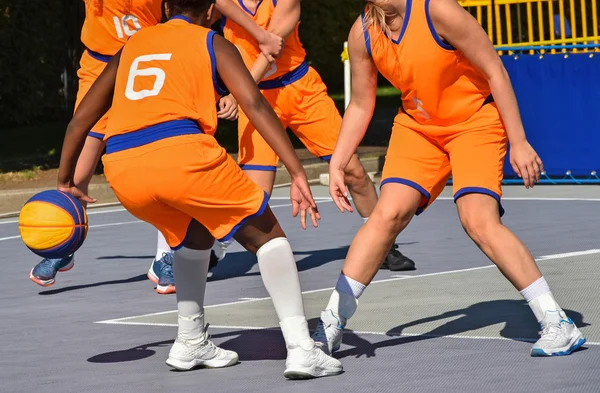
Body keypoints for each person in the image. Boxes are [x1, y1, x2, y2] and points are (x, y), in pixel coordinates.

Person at [56, 0, 343, 378]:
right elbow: (254, 103)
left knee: (194, 235)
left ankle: (190, 340)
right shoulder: (211, 41)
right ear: (210, 10)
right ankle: (303, 348)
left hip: (124, 167)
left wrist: (65, 181)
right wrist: (296, 169)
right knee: (268, 237)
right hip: (181, 153)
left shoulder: (133, 45)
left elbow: (81, 120)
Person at [312, 0, 586, 358]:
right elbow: (361, 104)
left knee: (478, 220)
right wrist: (338, 162)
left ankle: (557, 323)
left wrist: (518, 142)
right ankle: (330, 326)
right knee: (386, 215)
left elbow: (495, 72)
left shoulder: (438, 10)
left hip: (474, 121)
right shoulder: (363, 31)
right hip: (419, 128)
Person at [29, 0, 283, 294]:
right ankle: (64, 238)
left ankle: (166, 253)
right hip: (101, 67)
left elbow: (214, 2)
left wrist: (258, 33)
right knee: (78, 173)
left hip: (153, 64)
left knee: (165, 159)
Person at [211, 0, 417, 272]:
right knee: (253, 191)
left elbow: (270, 51)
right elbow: (197, 30)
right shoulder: (220, 6)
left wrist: (239, 91)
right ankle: (212, 249)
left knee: (352, 170)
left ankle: (384, 245)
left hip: (300, 90)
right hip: (258, 98)